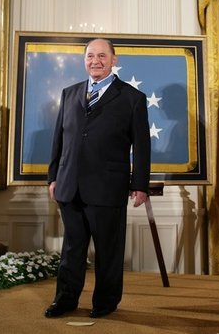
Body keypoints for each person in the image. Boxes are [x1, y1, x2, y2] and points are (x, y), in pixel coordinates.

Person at [45, 38, 151, 319]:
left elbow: (142, 146)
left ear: (114, 60)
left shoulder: (132, 98)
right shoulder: (69, 93)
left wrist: (139, 184)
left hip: (108, 188)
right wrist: (53, 177)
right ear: (84, 60)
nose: (96, 61)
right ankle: (65, 300)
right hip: (69, 186)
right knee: (72, 250)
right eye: (90, 56)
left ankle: (105, 302)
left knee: (108, 252)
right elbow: (60, 139)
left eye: (102, 56)